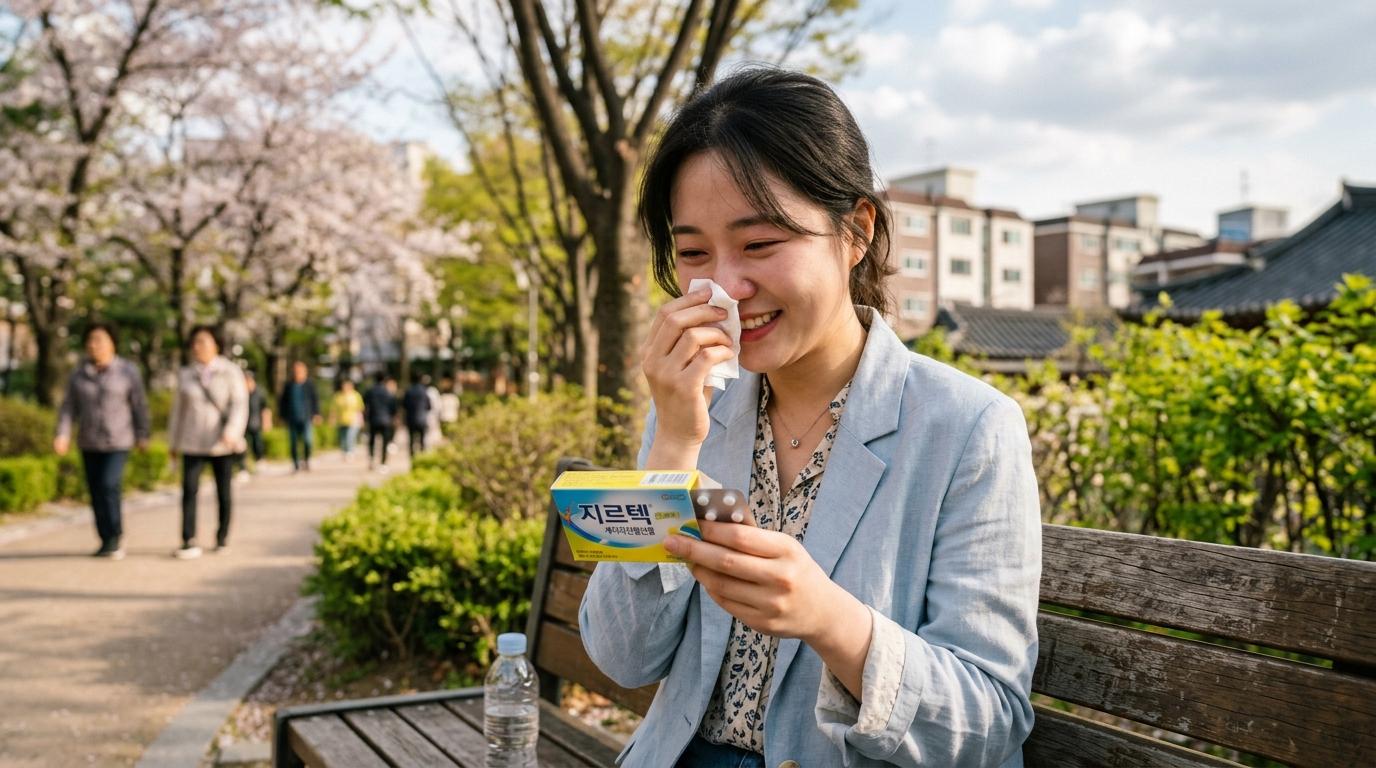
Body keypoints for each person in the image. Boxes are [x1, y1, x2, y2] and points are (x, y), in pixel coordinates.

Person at [579, 69, 1041, 768]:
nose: (726, 287)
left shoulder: (968, 428)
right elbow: (622, 656)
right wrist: (672, 444)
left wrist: (833, 623)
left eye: (759, 244)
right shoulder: (693, 406)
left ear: (857, 230)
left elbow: (991, 722)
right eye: (695, 252)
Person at [53, 322, 151, 560]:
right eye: (90, 340)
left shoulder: (128, 371)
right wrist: (62, 433)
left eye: (99, 340)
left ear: (112, 343)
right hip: (89, 440)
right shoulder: (78, 374)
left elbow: (139, 405)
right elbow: (68, 408)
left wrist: (142, 433)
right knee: (96, 490)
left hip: (118, 440)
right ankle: (105, 538)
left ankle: (115, 534)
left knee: (109, 485)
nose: (94, 345)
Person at [168, 325, 248, 559]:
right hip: (192, 442)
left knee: (223, 491)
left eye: (203, 341)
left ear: (216, 344)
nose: (197, 347)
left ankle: (222, 536)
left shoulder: (230, 371)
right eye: (194, 342)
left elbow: (239, 405)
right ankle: (188, 539)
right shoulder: (186, 374)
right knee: (189, 491)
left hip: (221, 443)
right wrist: (174, 442)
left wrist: (232, 432)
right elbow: (177, 412)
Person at [277, 360, 320, 472]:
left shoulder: (309, 385)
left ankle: (306, 460)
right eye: (296, 371)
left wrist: (316, 414)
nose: (298, 373)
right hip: (292, 418)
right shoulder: (289, 385)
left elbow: (315, 400)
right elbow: (283, 402)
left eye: (300, 371)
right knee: (293, 442)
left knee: (307, 440)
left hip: (306, 417)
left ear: (305, 372)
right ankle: (295, 464)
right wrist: (282, 416)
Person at [235, 370, 268, 480]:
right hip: (241, 425)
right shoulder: (239, 393)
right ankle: (243, 468)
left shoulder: (259, 393)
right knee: (241, 448)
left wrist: (266, 422)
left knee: (257, 445)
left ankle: (259, 462)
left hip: (255, 423)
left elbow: (265, 409)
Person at [363, 373, 398, 472]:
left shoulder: (370, 391)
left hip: (373, 419)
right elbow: (393, 407)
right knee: (385, 442)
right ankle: (383, 463)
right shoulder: (388, 392)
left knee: (372, 441)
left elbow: (364, 405)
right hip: (386, 420)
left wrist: (365, 418)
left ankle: (371, 459)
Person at [331, 378, 364, 461]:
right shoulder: (338, 396)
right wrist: (332, 418)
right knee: (343, 438)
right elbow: (334, 409)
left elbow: (359, 409)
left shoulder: (356, 395)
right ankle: (345, 451)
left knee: (350, 437)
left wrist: (361, 419)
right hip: (341, 420)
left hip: (353, 420)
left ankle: (350, 452)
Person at [401, 374, 432, 458]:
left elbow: (404, 405)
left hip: (411, 419)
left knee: (411, 440)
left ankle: (412, 457)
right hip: (422, 419)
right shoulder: (424, 391)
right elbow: (429, 406)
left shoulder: (408, 391)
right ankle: (422, 457)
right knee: (422, 440)